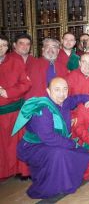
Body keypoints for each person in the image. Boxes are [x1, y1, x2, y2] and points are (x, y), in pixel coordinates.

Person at [15, 77, 89, 199]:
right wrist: (72, 144)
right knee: (59, 153)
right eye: (57, 90)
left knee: (83, 154)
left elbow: (76, 98)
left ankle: (64, 182)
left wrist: (88, 98)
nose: (62, 93)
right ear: (48, 91)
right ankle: (48, 187)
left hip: (53, 142)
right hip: (34, 145)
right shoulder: (43, 108)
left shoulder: (65, 101)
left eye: (65, 89)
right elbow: (48, 137)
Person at [0, 34, 32, 179]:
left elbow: (26, 83)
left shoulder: (15, 61)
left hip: (13, 112)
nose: (1, 48)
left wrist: (7, 92)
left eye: (3, 45)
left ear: (8, 47)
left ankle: (20, 171)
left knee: (15, 145)